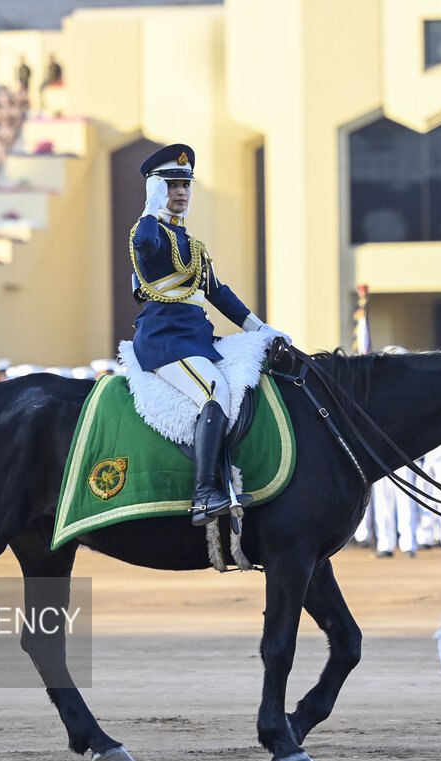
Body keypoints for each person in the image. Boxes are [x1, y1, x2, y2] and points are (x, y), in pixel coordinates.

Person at [129, 143, 290, 525]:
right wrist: (151, 205)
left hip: (196, 337)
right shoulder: (147, 231)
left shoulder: (192, 244)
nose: (181, 192)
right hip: (164, 339)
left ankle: (229, 478)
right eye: (170, 184)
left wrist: (262, 330)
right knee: (213, 393)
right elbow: (143, 244)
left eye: (185, 184)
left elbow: (220, 294)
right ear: (155, 189)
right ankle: (203, 495)